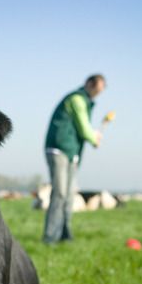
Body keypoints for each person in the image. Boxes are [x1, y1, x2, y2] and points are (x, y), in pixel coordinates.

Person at [43, 74, 106, 244]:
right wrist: (94, 138)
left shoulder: (85, 101)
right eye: (95, 90)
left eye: (99, 92)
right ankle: (50, 238)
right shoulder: (77, 99)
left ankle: (65, 236)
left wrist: (92, 136)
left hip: (72, 152)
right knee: (60, 193)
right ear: (88, 84)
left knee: (70, 194)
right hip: (58, 149)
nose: (95, 95)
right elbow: (83, 127)